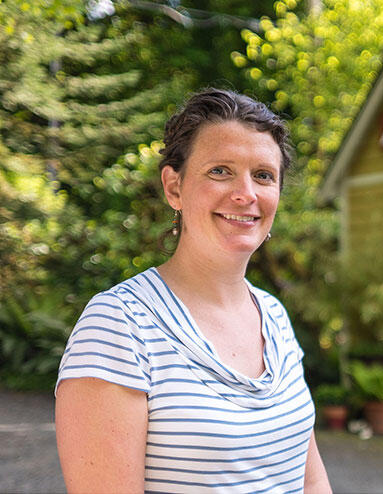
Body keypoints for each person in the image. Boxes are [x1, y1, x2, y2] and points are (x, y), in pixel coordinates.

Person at [55, 88, 332, 493]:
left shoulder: (273, 315)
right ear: (174, 187)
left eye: (263, 175)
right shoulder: (119, 326)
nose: (246, 193)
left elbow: (311, 481)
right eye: (220, 170)